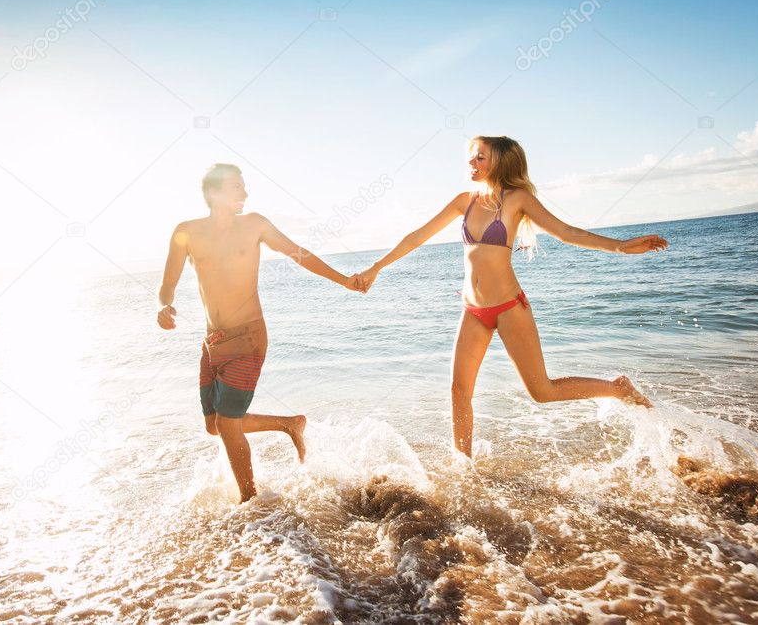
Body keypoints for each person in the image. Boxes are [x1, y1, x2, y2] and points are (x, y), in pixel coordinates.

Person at [354, 136, 666, 458]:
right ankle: (464, 466)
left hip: (508, 307)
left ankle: (617, 389)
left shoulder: (517, 199)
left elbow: (567, 233)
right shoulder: (465, 201)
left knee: (542, 391)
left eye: (480, 158)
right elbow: (417, 236)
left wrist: (620, 245)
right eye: (471, 158)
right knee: (459, 391)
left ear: (499, 162)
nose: (472, 164)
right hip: (472, 310)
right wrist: (377, 267)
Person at [157, 163, 362, 501]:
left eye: (244, 186)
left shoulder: (254, 225)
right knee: (215, 425)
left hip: (249, 337)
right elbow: (167, 284)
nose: (245, 193)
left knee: (227, 423)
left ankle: (251, 503)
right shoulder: (186, 232)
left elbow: (300, 254)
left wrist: (343, 280)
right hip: (212, 343)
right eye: (236, 187)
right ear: (213, 193)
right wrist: (163, 306)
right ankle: (289, 424)